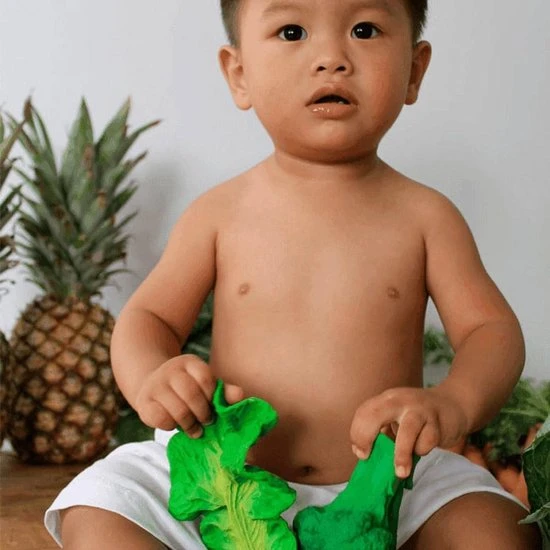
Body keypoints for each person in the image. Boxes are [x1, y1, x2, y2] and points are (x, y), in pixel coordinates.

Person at [45, 0, 542, 548]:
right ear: (239, 74)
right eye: (291, 31)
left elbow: (490, 331)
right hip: (220, 475)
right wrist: (152, 377)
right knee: (97, 509)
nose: (331, 57)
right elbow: (150, 317)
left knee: (495, 531)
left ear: (414, 70)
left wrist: (454, 402)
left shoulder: (427, 217)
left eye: (364, 29)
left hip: (396, 477)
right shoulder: (219, 213)